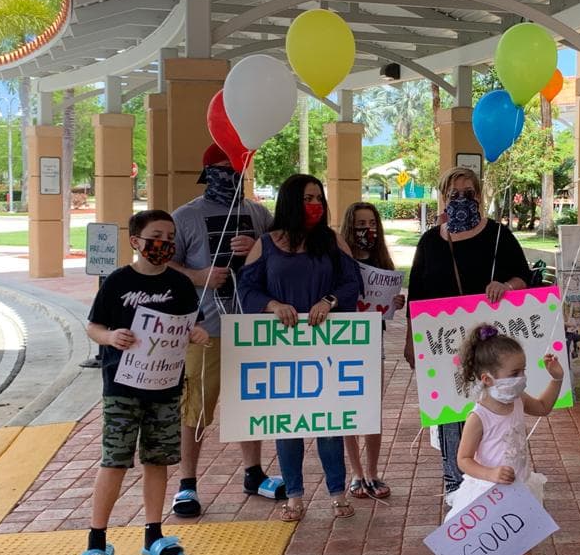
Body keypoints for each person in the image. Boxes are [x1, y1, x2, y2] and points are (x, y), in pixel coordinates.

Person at [78, 210, 210, 555]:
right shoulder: (118, 281)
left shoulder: (180, 284)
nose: (163, 243)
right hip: (122, 387)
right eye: (156, 236)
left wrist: (197, 334)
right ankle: (96, 540)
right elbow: (93, 325)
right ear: (136, 241)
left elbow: (191, 326)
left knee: (158, 459)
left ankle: (154, 533)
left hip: (165, 387)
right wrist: (109, 337)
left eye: (169, 237)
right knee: (115, 460)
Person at [238, 174, 362, 522]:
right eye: (308, 198)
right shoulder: (266, 243)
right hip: (282, 349)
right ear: (291, 201)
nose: (316, 205)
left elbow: (353, 282)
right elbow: (246, 289)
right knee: (288, 424)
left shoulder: (332, 241)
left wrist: (330, 301)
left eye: (319, 198)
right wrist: (273, 305)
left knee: (329, 423)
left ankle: (337, 492)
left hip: (327, 345)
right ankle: (294, 495)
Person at [167, 143, 281, 517]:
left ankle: (253, 472)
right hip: (207, 328)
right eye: (224, 168)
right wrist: (198, 275)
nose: (232, 175)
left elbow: (281, 256)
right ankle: (187, 483)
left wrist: (257, 247)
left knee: (251, 403)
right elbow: (165, 265)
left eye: (238, 167)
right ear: (208, 172)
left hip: (252, 326)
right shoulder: (186, 216)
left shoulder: (258, 213)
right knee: (197, 406)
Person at [405, 166, 532, 497]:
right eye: (454, 194)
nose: (461, 199)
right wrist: (410, 340)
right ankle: (454, 484)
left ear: (479, 196)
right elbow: (416, 293)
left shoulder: (499, 236)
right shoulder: (430, 241)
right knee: (451, 410)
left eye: (468, 193)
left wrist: (506, 285)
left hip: (489, 344)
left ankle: (499, 473)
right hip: (442, 343)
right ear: (444, 198)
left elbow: (524, 276)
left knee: (490, 410)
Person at [448, 323, 565, 555]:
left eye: (523, 371)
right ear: (488, 379)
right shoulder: (479, 416)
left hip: (517, 492)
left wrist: (556, 379)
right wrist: (489, 472)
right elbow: (463, 460)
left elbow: (543, 407)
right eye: (514, 373)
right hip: (486, 494)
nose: (522, 378)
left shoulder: (517, 399)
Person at [340, 201, 405, 500]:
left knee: (372, 409)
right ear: (350, 227)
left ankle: (373, 471)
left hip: (372, 342)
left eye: (371, 224)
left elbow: (385, 303)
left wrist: (395, 303)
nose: (367, 230)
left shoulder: (382, 261)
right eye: (360, 224)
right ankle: (356, 473)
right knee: (348, 410)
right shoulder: (340, 260)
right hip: (343, 341)